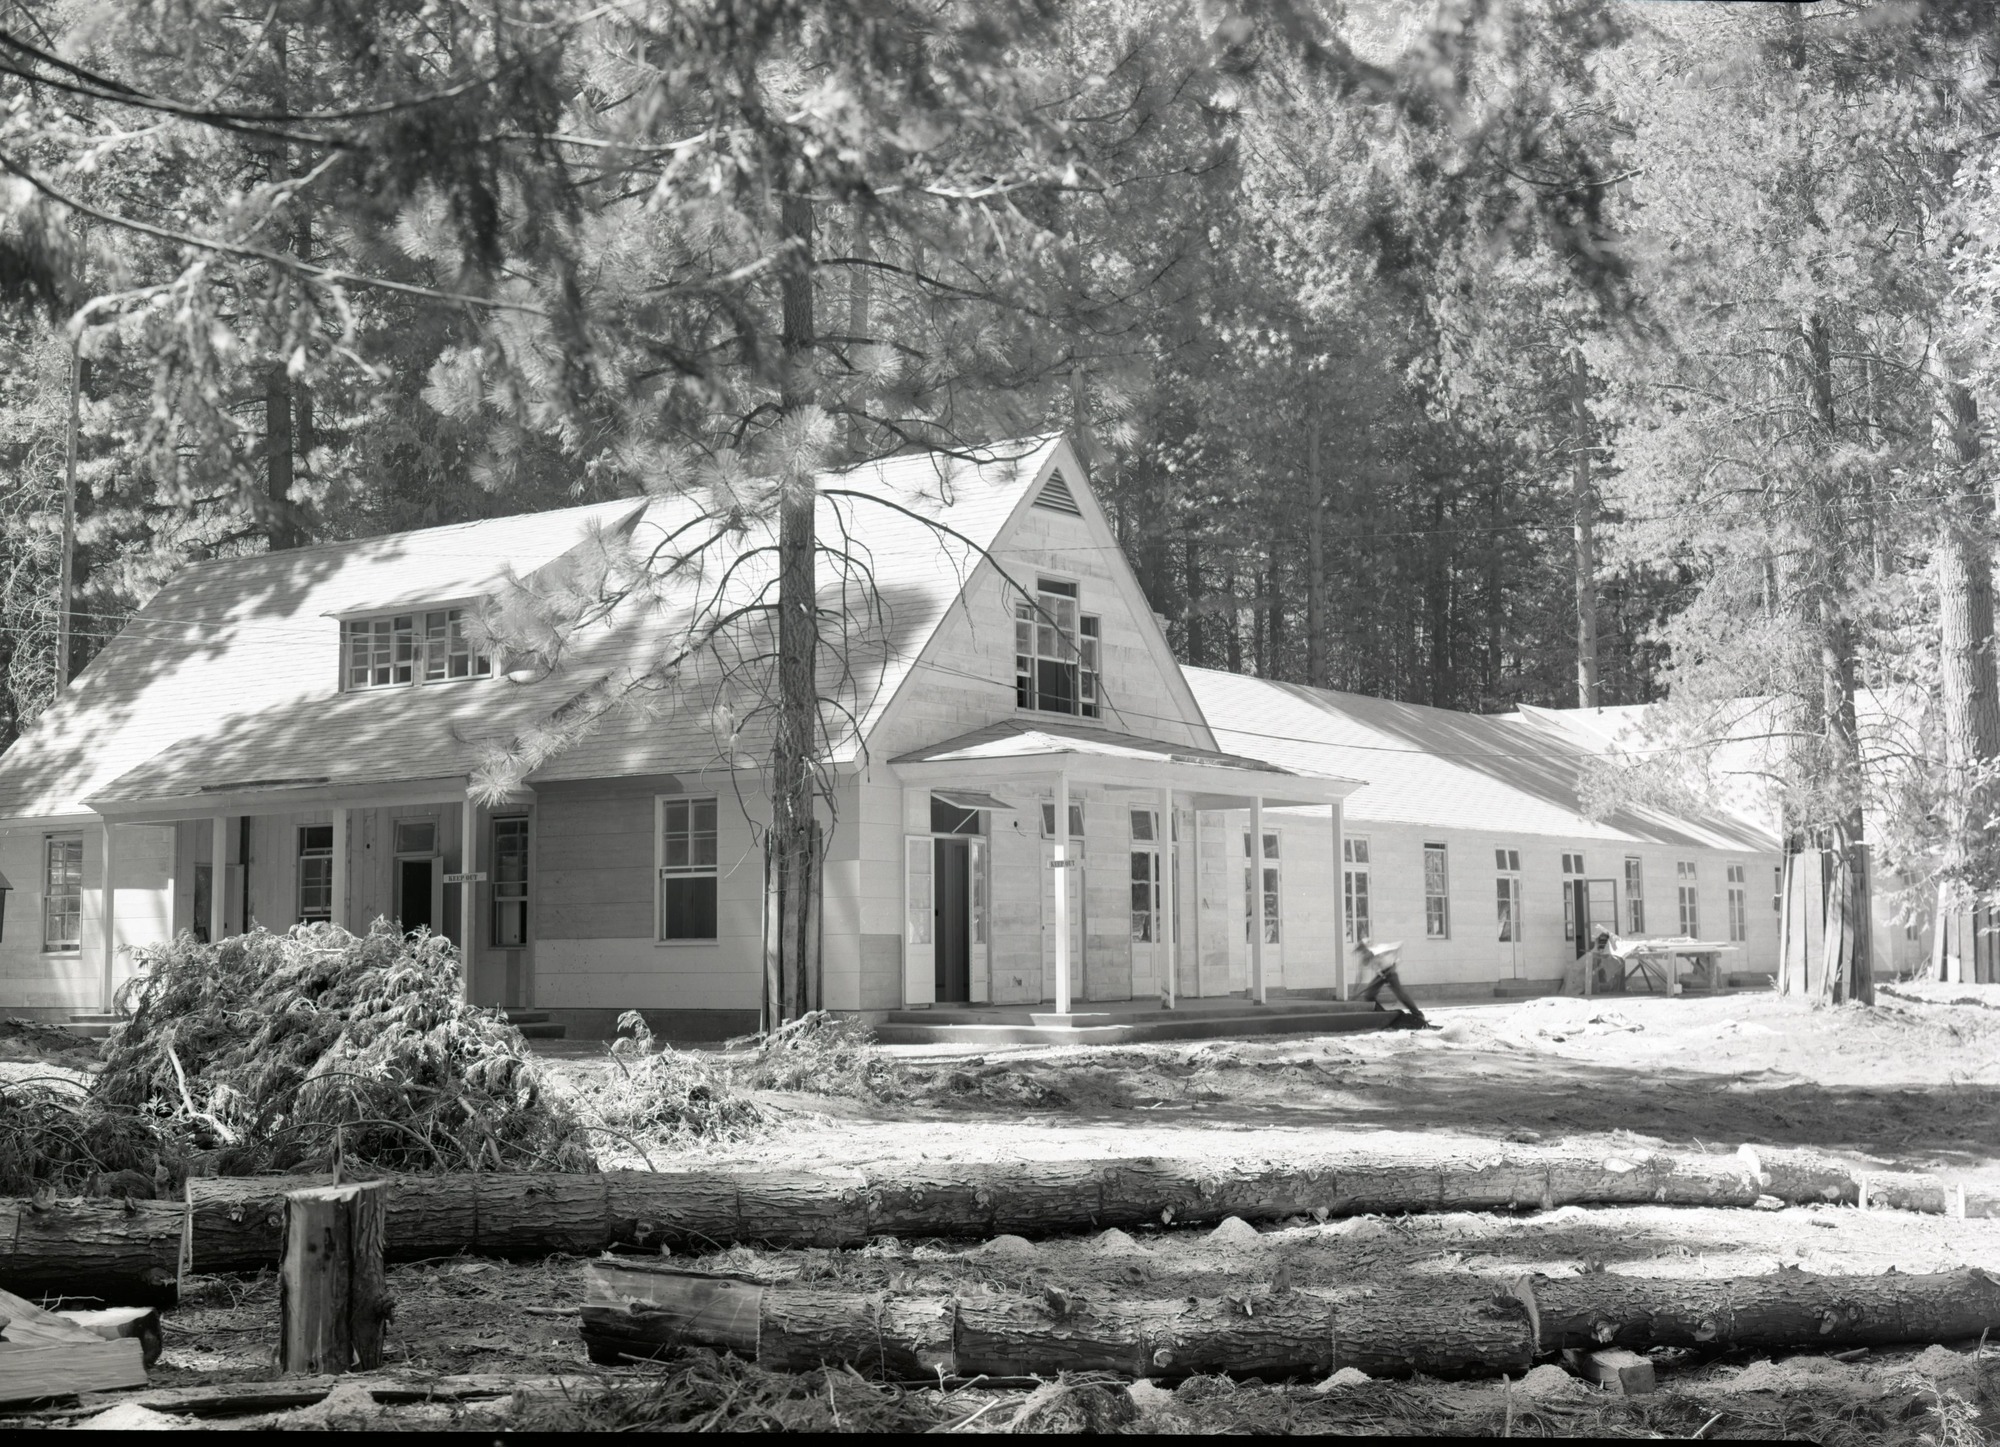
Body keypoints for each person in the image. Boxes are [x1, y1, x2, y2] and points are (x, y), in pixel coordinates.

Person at [1356, 939, 1426, 1025]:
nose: (1363, 953)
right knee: (1369, 995)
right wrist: (1356, 988)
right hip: (1381, 975)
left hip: (1390, 972)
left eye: (1364, 950)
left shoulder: (1378, 949)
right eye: (1362, 951)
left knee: (1401, 994)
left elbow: (1397, 946)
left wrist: (1394, 963)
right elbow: (1361, 973)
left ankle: (1417, 1014)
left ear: (1367, 947)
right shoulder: (1365, 957)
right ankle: (1381, 1014)